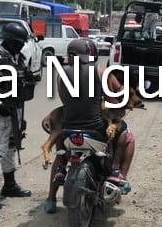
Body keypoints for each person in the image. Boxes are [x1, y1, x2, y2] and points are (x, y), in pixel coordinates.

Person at [43, 37, 135, 214]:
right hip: (95, 130)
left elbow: (66, 102)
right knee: (127, 135)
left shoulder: (61, 74)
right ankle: (117, 173)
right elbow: (114, 105)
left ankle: (51, 199)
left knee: (61, 156)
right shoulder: (101, 72)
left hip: (69, 129)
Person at [0, 22, 36, 210]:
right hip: (0, 112)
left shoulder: (19, 58)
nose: (21, 46)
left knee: (11, 147)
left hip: (16, 110)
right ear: (9, 40)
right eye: (19, 42)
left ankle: (9, 185)